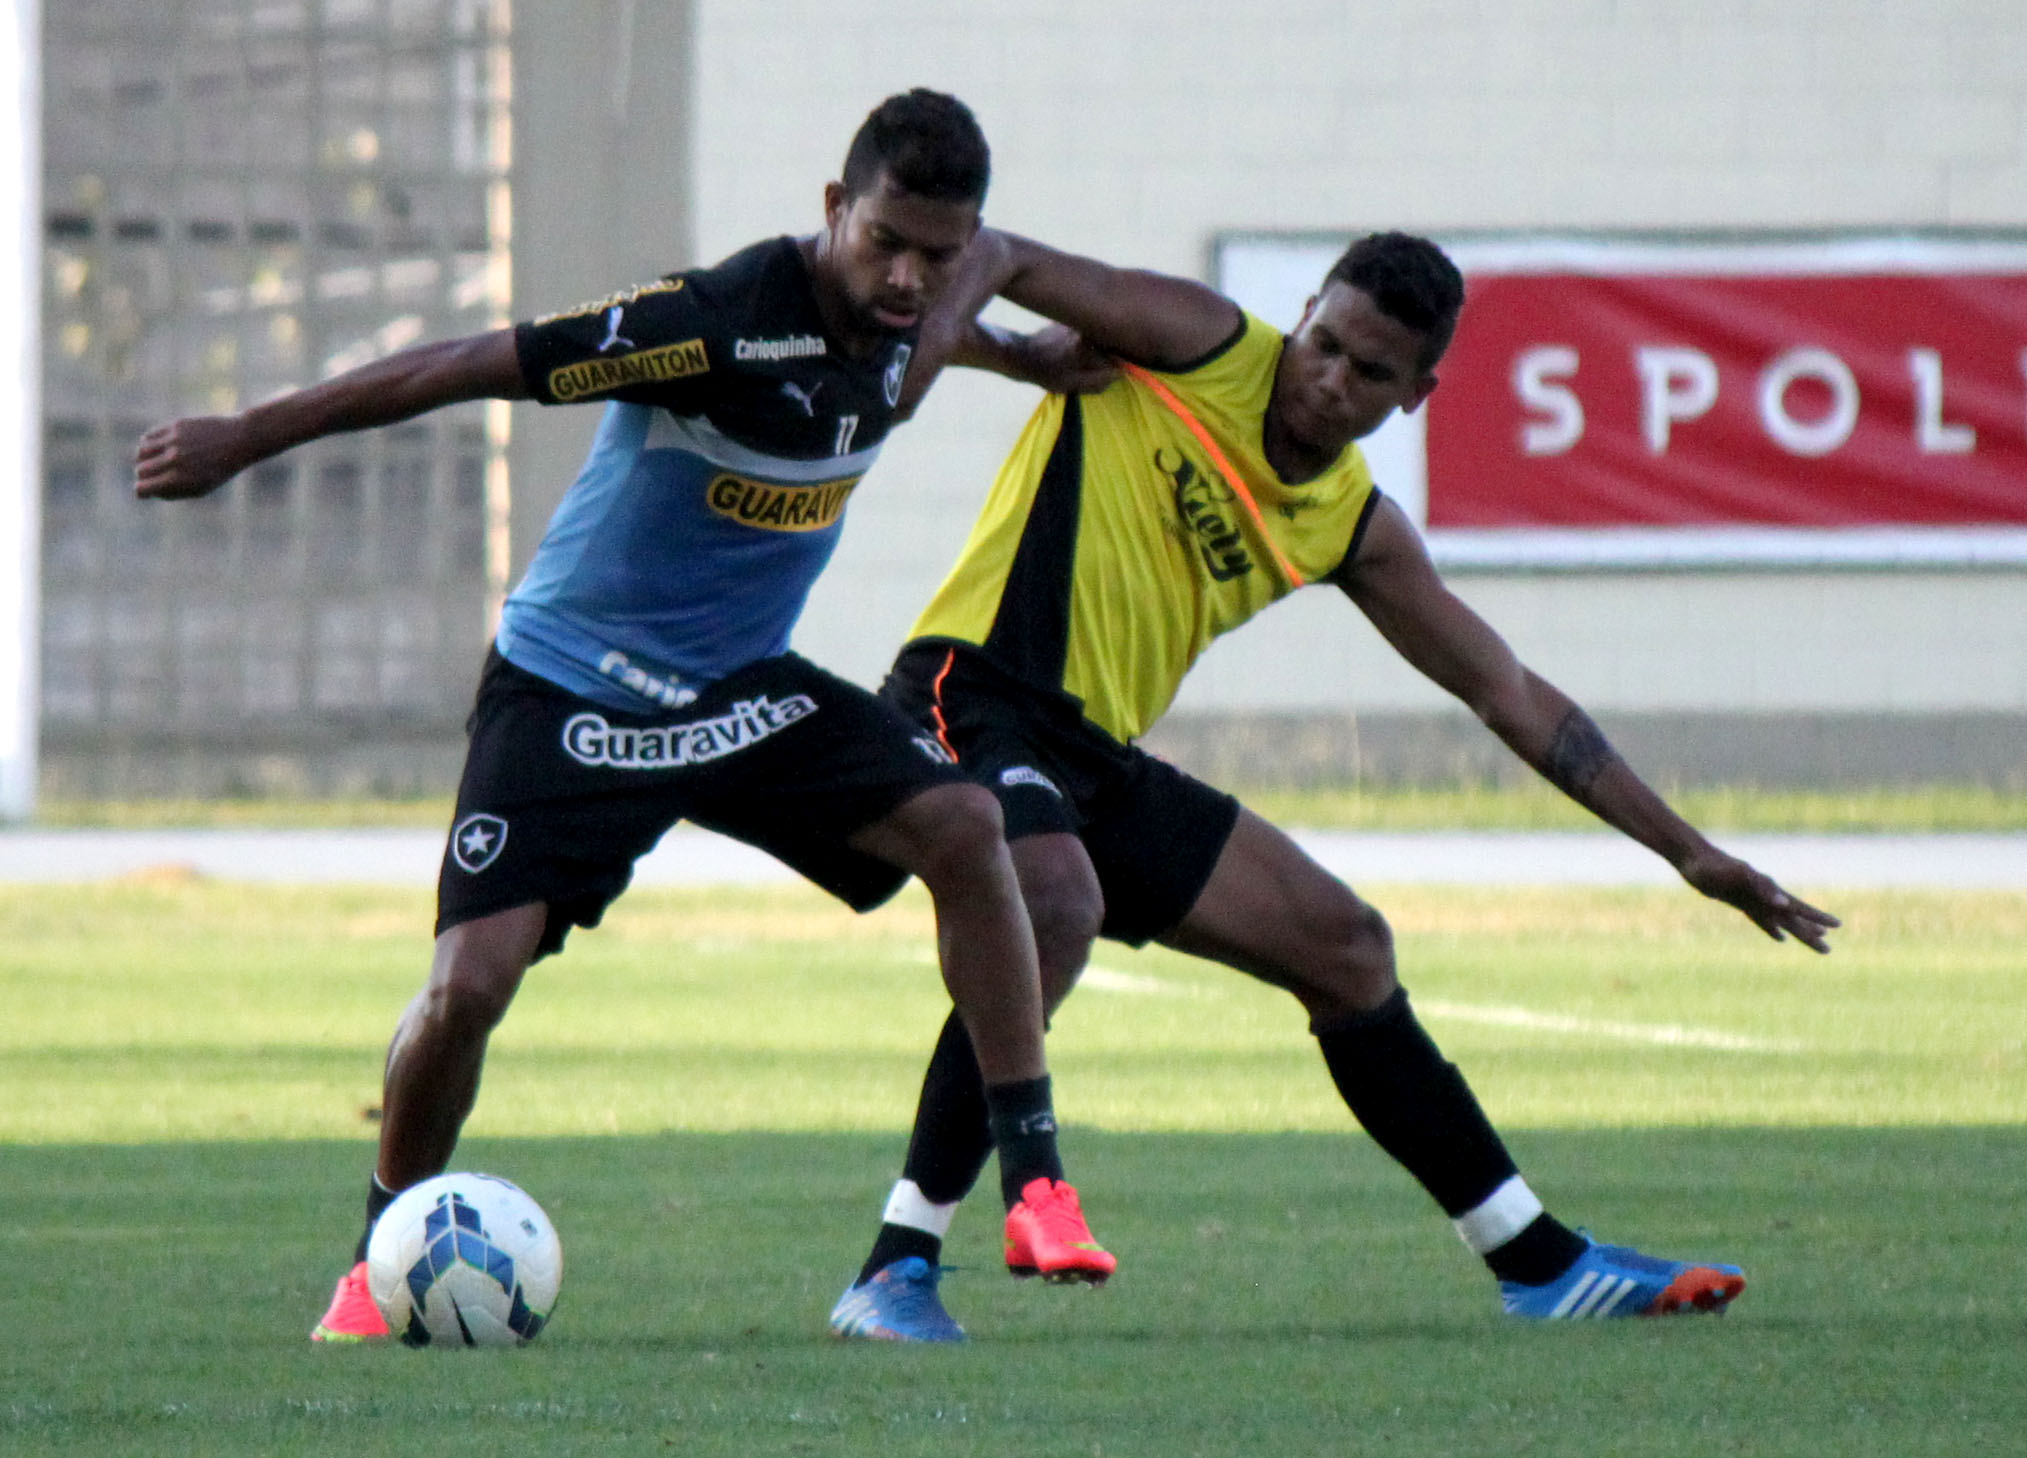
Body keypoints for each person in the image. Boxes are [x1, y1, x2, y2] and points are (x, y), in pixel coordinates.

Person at [133, 89, 1118, 1344]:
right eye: (884, 243)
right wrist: (245, 435)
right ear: (832, 211)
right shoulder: (706, 324)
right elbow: (462, 364)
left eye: (938, 255)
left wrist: (1027, 356)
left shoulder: (915, 313)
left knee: (967, 827)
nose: (911, 278)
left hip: (739, 694)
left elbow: (924, 334)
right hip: (571, 689)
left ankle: (1034, 1184)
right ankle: (374, 1255)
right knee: (468, 990)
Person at [824, 228, 1841, 1342]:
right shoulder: (1198, 345)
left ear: (1415, 395)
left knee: (1345, 947)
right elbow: (1002, 252)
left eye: (1368, 373)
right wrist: (989, 358)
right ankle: (896, 1268)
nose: (1326, 380)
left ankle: (1538, 1264)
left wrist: (1686, 850)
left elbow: (1510, 694)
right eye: (1322, 344)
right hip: (967, 694)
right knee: (1054, 904)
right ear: (1303, 311)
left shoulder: (1351, 526)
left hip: (1087, 757)